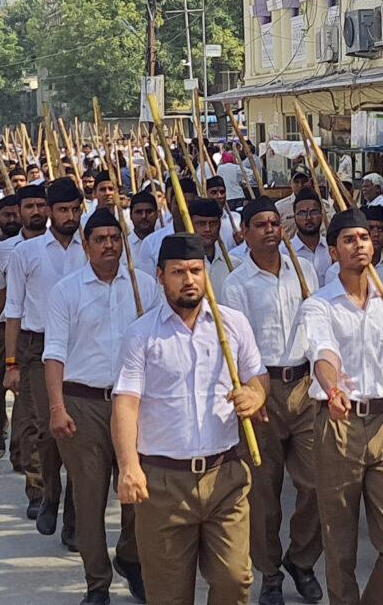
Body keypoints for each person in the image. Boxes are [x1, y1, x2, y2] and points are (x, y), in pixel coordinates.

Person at [113, 233, 268, 605]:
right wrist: (129, 466)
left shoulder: (231, 325)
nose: (189, 280)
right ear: (160, 275)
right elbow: (126, 403)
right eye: (178, 271)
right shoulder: (141, 335)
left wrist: (256, 394)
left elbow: (257, 375)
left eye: (196, 271)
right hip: (164, 484)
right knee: (168, 594)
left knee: (235, 580)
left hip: (225, 475)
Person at [300, 209, 383, 605]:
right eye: (349, 240)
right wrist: (332, 387)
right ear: (333, 251)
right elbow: (324, 354)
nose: (359, 245)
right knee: (340, 543)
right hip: (338, 426)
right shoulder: (319, 305)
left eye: (364, 238)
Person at [43, 208, 157, 605]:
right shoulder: (66, 291)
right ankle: (97, 582)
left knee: (137, 493)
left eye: (115, 237)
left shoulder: (146, 287)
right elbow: (54, 352)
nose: (109, 245)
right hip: (84, 403)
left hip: (133, 403)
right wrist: (57, 407)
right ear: (87, 245)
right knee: (89, 501)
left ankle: (131, 557)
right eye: (101, 239)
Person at [222, 197, 322, 605]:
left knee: (316, 481)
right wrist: (251, 392)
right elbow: (237, 347)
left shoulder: (304, 269)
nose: (269, 230)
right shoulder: (236, 282)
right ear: (244, 232)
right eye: (259, 224)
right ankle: (269, 571)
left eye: (273, 223)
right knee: (263, 489)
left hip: (303, 383)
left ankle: (302, 559)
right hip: (262, 388)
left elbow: (318, 325)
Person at [5, 178, 85, 545]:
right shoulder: (26, 253)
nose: (70, 217)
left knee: (82, 436)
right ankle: (49, 492)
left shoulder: (93, 247)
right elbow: (14, 310)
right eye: (63, 210)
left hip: (83, 347)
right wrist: (11, 363)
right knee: (47, 427)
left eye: (75, 210)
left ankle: (73, 521)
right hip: (38, 348)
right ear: (50, 212)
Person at [0, 185, 47, 479]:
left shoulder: (74, 248)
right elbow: (1, 297)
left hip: (54, 335)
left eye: (41, 206)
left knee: (34, 404)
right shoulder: (1, 251)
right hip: (12, 330)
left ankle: (24, 455)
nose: (33, 213)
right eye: (27, 208)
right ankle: (7, 443)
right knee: (6, 390)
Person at [188, 197, 240, 297]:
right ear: (190, 224)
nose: (207, 229)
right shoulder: (183, 267)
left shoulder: (235, 265)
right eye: (201, 224)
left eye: (213, 223)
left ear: (220, 225)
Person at [275, 166, 332, 239]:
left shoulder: (324, 206)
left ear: (310, 182)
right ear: (290, 183)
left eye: (304, 181)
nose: (300, 185)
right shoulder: (280, 207)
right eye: (296, 182)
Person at [291, 188, 332, 285]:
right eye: (302, 213)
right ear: (294, 217)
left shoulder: (332, 249)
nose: (309, 218)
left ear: (322, 215)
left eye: (314, 212)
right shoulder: (284, 252)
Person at [361, 172, 383, 255]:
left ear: (377, 188)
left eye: (367, 186)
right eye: (363, 187)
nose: (364, 189)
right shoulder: (369, 204)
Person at [127, 190, 160, 278]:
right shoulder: (124, 247)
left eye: (149, 212)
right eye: (139, 212)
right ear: (130, 215)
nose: (144, 216)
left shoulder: (165, 243)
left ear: (157, 214)